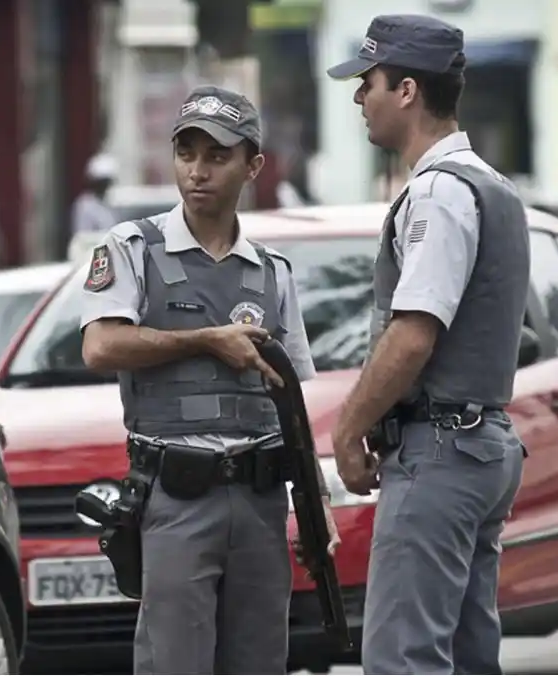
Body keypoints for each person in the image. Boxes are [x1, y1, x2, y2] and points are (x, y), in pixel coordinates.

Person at [79, 85, 339, 675]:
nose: (197, 171)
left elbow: (293, 399)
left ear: (252, 167)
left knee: (259, 663)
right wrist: (204, 339)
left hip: (260, 498)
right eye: (186, 153)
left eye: (217, 157)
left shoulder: (273, 273)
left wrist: (316, 505)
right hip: (176, 495)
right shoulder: (132, 248)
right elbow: (100, 347)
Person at [325, 14, 530, 675]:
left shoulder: (439, 193)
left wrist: (347, 429)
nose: (360, 98)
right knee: (468, 659)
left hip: (442, 447)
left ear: (407, 90)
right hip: (482, 442)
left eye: (369, 82)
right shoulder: (492, 187)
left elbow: (414, 334)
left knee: (401, 659)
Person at [71, 153, 119, 235]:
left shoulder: (110, 203)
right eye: (101, 183)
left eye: (106, 183)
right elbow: (83, 235)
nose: (104, 187)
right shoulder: (84, 205)